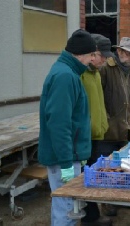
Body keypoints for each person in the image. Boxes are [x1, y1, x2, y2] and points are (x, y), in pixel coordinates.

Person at [38, 29, 96, 226]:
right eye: (91, 55)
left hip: (70, 154)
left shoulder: (68, 72)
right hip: (64, 158)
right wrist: (66, 163)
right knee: (66, 210)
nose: (91, 60)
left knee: (68, 208)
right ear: (80, 54)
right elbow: (59, 123)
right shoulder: (65, 76)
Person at [99, 37, 130, 216]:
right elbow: (97, 99)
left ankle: (119, 201)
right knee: (107, 170)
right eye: (129, 54)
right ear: (119, 51)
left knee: (123, 167)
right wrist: (106, 119)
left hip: (126, 129)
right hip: (108, 131)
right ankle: (106, 205)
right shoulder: (105, 69)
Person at [80, 34, 113, 226]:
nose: (104, 60)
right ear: (93, 53)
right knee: (84, 178)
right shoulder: (81, 74)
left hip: (97, 134)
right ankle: (88, 218)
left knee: (92, 177)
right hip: (86, 135)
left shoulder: (96, 73)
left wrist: (103, 125)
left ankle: (93, 216)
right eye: (102, 56)